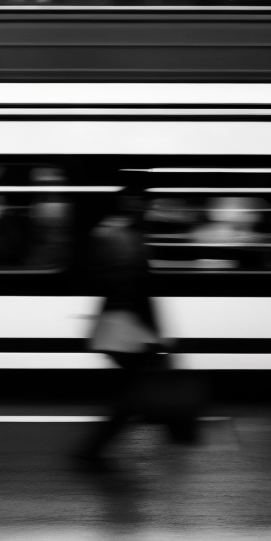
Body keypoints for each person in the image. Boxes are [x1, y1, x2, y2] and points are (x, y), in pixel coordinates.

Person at [73, 196, 186, 470]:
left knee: (137, 387)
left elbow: (109, 283)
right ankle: (92, 451)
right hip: (127, 326)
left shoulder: (104, 234)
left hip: (115, 322)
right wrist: (156, 333)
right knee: (138, 388)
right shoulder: (125, 240)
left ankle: (95, 450)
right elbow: (138, 290)